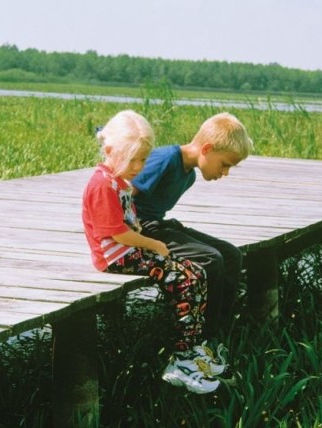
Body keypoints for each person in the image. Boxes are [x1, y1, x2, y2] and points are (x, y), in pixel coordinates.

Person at [81, 110, 226, 394]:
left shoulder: (117, 181)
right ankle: (180, 360)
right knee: (185, 279)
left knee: (195, 273)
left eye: (143, 160)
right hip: (114, 257)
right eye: (132, 159)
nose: (138, 167)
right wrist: (154, 245)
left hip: (127, 251)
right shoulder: (102, 184)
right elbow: (117, 233)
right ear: (110, 150)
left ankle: (191, 349)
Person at [132, 112, 254, 342]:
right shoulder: (166, 159)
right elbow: (123, 192)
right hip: (139, 229)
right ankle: (200, 340)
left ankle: (218, 334)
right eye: (225, 164)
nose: (225, 172)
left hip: (157, 225)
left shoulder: (188, 176)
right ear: (207, 148)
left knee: (231, 255)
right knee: (210, 258)